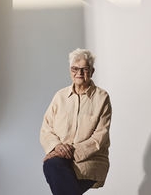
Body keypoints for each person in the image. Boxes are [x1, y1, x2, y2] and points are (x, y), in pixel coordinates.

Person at [40, 48, 112, 194]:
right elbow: (46, 129)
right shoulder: (59, 97)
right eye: (75, 69)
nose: (79, 73)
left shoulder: (102, 97)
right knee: (52, 165)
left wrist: (69, 152)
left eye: (84, 69)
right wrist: (57, 147)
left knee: (54, 168)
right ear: (70, 70)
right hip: (61, 161)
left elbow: (100, 137)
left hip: (90, 161)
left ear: (92, 71)